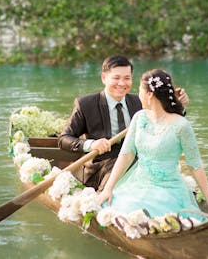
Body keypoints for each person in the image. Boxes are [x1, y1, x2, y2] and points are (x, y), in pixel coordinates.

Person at [97, 69, 208, 219]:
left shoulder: (181, 125)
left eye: (140, 90)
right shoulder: (139, 117)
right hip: (137, 183)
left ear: (149, 94)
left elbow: (195, 165)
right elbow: (126, 155)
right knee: (108, 206)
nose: (138, 95)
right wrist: (108, 188)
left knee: (143, 214)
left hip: (167, 188)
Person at [58, 56, 189, 190]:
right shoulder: (85, 104)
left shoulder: (140, 101)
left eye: (127, 78)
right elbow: (63, 139)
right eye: (116, 78)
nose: (122, 83)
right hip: (101, 166)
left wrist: (179, 106)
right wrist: (91, 144)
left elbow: (165, 123)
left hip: (138, 162)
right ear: (104, 78)